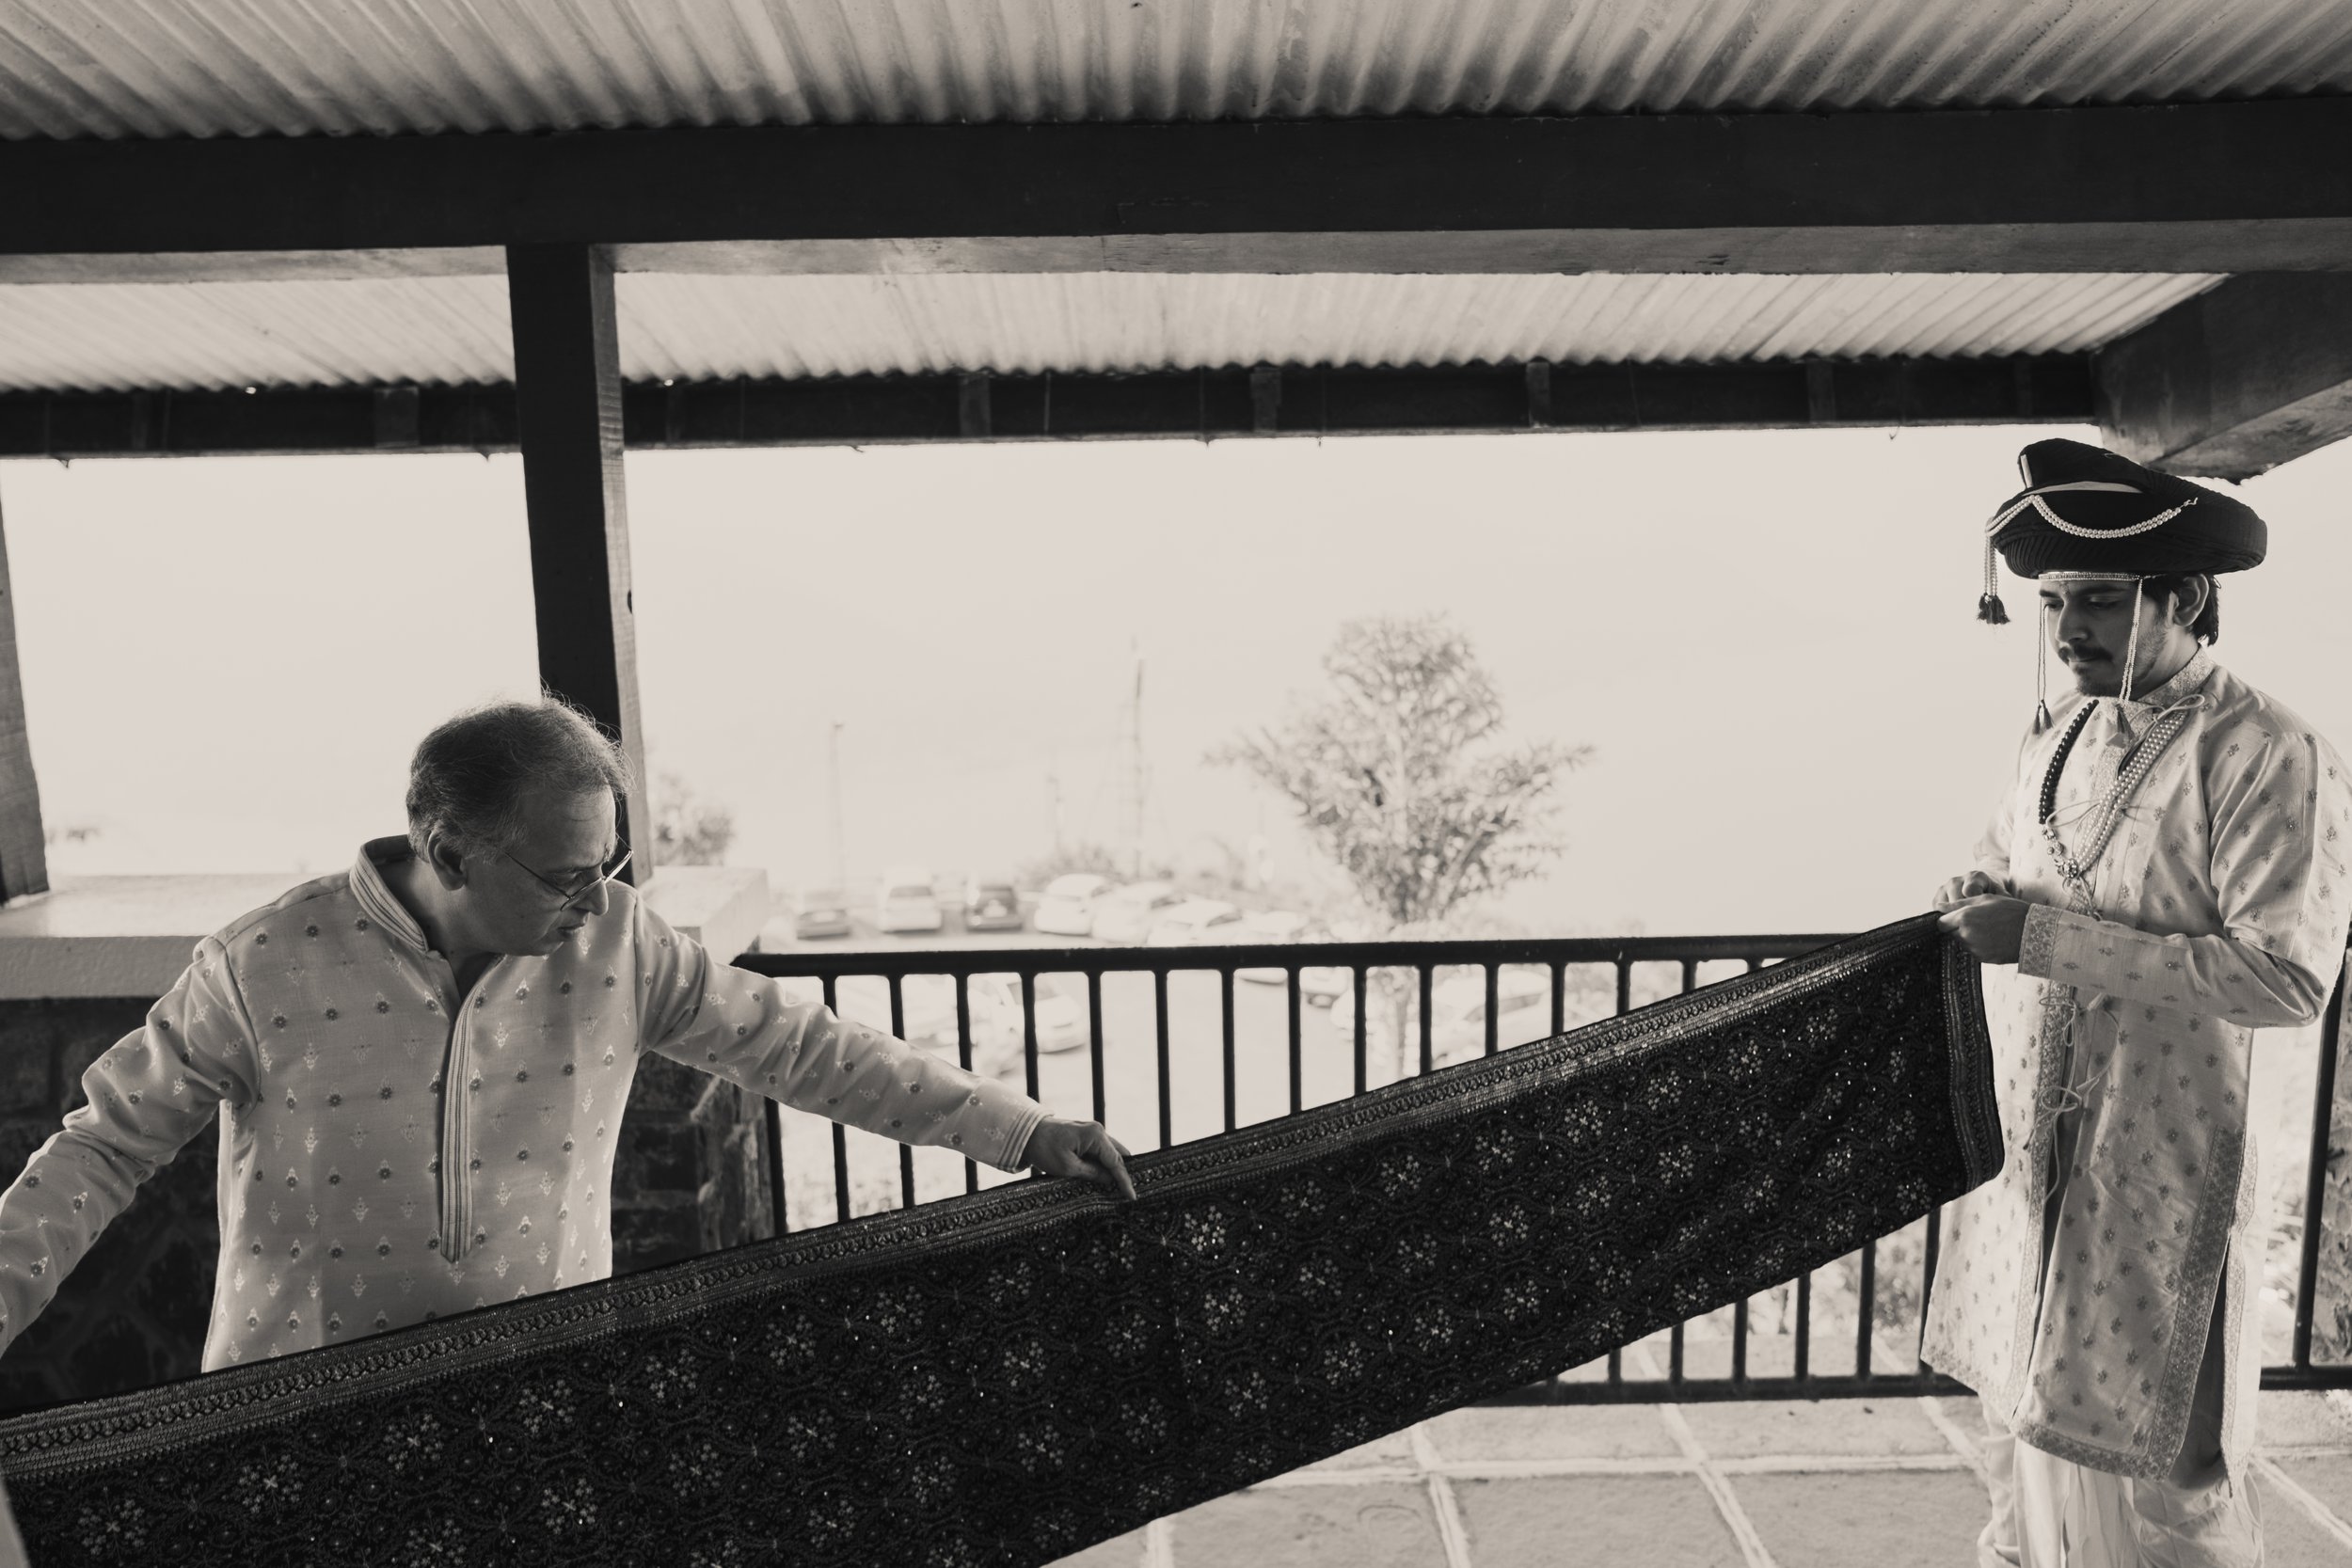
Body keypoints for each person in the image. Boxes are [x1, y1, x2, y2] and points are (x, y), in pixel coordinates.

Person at [0, 699, 1135, 1371]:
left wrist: (1022, 1130)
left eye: (613, 865)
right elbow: (102, 1146)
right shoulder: (261, 963)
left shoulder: (622, 942)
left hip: (540, 1389)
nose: (597, 901)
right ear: (449, 853)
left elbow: (806, 1047)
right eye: (566, 875)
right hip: (298, 1405)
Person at [1927, 439, 2352, 1566]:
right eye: (2055, 599)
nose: (2069, 628)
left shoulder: (2268, 751)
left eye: (2102, 600)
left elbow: (2284, 975)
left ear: (2187, 597)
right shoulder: (2052, 732)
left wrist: (2046, 938)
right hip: (2036, 1147)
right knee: (2022, 1438)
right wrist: (1982, 894)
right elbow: (2004, 866)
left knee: (2169, 1463)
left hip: (2164, 1151)